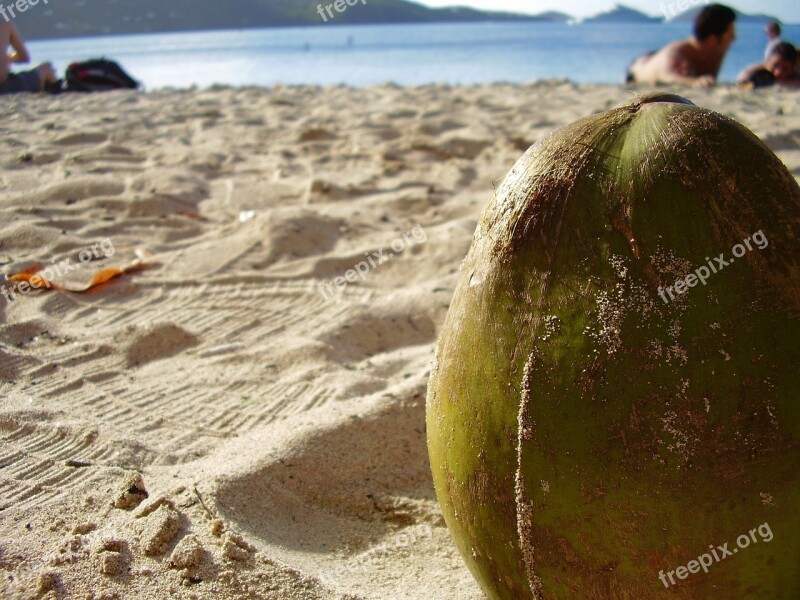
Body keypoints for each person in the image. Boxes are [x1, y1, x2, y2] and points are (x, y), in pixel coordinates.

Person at [626, 4, 737, 87]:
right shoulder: (677, 52)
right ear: (712, 39)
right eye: (730, 34)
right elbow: (667, 76)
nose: (734, 38)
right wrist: (693, 82)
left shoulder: (715, 51)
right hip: (636, 68)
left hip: (657, 58)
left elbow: (710, 79)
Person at [0, 21, 57, 95]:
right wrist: (7, 58)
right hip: (7, 86)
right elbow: (24, 57)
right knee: (46, 67)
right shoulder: (4, 24)